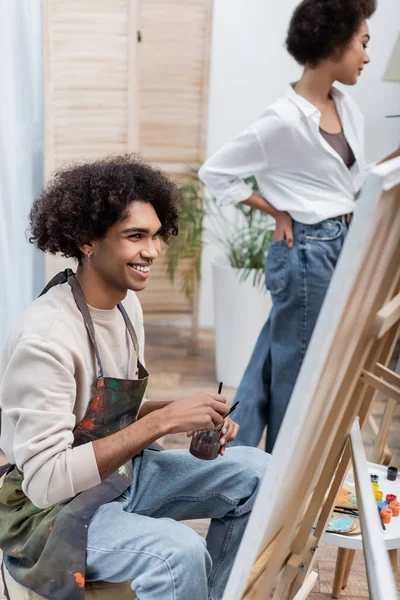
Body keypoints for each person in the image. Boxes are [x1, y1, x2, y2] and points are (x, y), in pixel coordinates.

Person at [0, 156, 269, 600]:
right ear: (88, 240)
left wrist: (184, 413)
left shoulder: (127, 307)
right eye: (135, 236)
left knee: (259, 472)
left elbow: (101, 418)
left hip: (118, 477)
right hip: (49, 516)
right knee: (176, 553)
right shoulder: (45, 338)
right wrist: (159, 424)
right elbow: (45, 482)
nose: (153, 250)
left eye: (155, 234)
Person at [199, 0, 398, 453]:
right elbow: (216, 173)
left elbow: (349, 186)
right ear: (335, 42)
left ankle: (235, 467)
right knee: (300, 371)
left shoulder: (347, 108)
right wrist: (274, 210)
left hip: (334, 245)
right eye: (363, 44)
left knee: (271, 364)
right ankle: (276, 483)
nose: (367, 57)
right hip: (305, 252)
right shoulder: (283, 119)